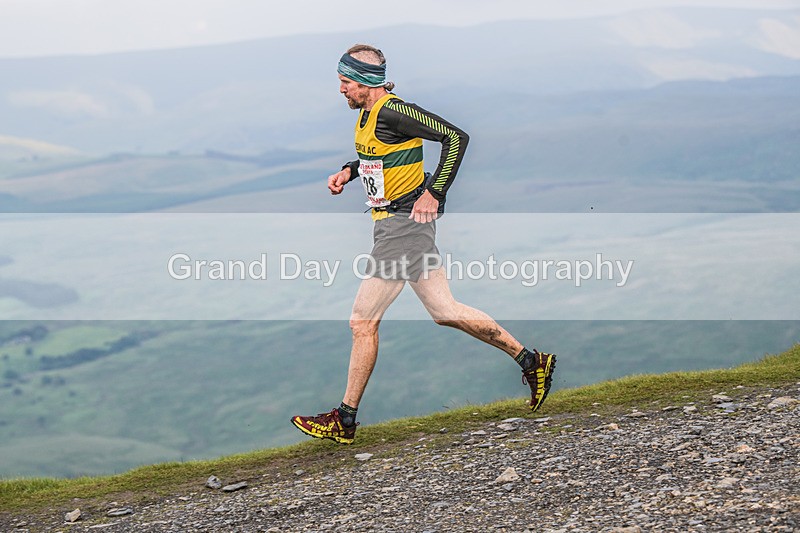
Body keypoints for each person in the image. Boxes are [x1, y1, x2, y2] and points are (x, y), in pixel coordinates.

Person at [291, 44, 556, 444]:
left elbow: (455, 137)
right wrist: (348, 171)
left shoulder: (395, 110)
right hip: (396, 226)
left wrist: (436, 192)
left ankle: (343, 419)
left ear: (365, 82)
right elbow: (377, 155)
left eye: (345, 82)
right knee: (445, 311)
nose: (341, 90)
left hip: (403, 228)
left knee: (362, 323)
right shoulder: (368, 114)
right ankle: (532, 361)